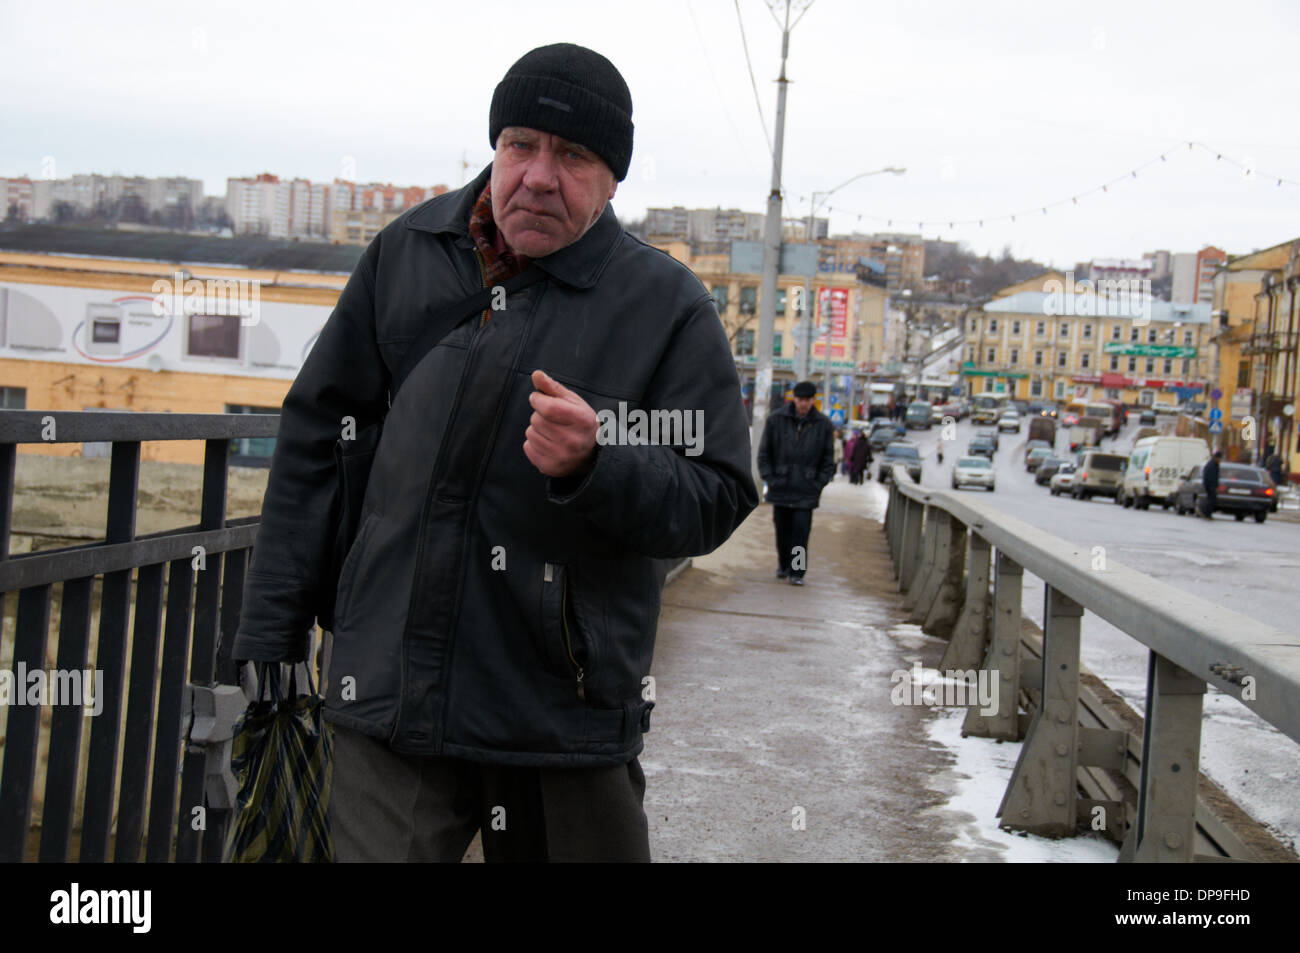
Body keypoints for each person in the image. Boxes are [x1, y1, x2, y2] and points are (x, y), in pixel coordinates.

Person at [231, 43, 758, 863]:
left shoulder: (665, 306)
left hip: (560, 717)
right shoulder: (407, 253)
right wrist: (271, 633)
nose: (539, 175)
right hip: (388, 693)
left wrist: (600, 462)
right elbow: (313, 441)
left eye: (573, 155)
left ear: (613, 178)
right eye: (520, 144)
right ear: (495, 147)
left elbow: (719, 490)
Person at [758, 380, 836, 586]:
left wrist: (818, 483)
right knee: (782, 533)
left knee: (800, 536)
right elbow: (764, 454)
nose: (803, 404)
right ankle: (784, 565)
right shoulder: (776, 420)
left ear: (813, 400)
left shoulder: (823, 425)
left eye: (808, 400)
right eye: (800, 399)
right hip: (780, 488)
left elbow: (829, 461)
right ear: (794, 398)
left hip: (806, 491)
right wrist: (770, 478)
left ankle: (798, 572)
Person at [1201, 449, 1223, 518]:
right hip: (1210, 486)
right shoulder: (1212, 465)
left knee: (1211, 499)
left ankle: (1207, 513)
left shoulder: (1214, 464)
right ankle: (1206, 513)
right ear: (1216, 457)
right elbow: (1211, 476)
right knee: (1211, 500)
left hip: (1210, 485)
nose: (1220, 460)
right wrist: (1212, 486)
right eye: (1219, 458)